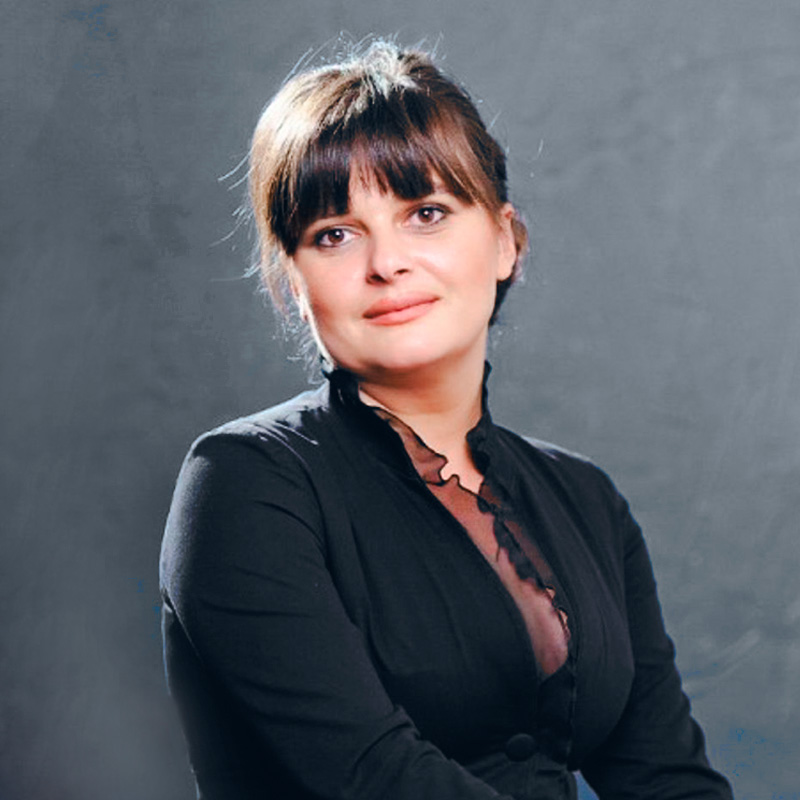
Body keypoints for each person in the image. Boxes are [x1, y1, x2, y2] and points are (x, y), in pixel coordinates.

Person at [160, 40, 733, 800]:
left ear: (505, 242)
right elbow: (376, 780)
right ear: (292, 283)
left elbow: (669, 780)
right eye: (334, 234)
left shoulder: (587, 501)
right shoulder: (242, 484)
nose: (386, 263)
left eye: (425, 214)